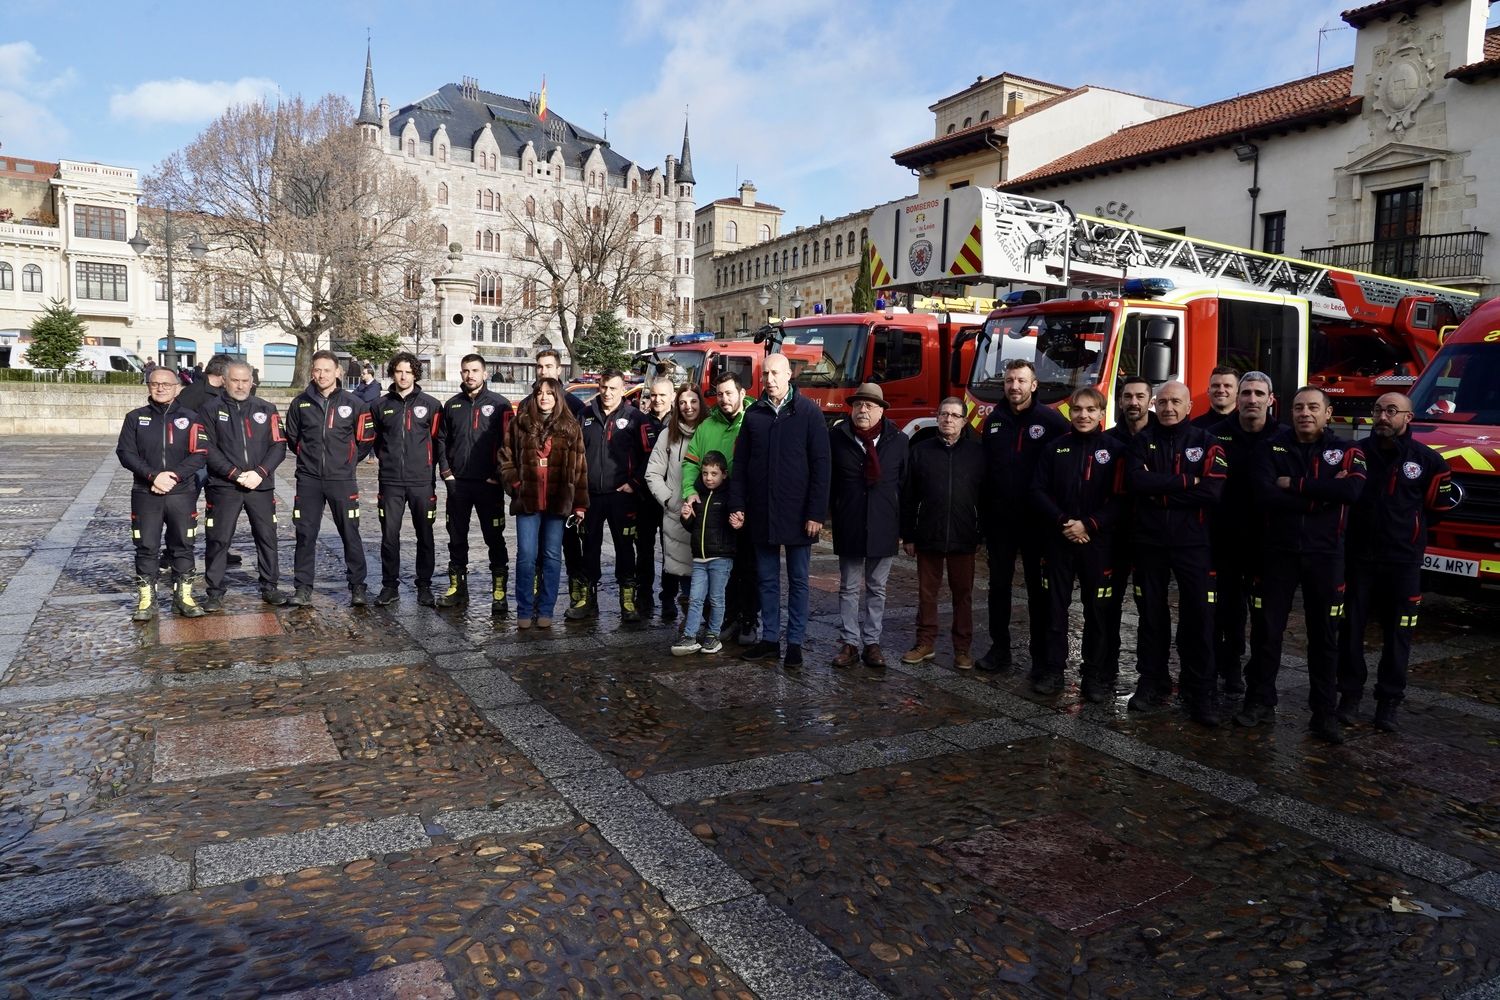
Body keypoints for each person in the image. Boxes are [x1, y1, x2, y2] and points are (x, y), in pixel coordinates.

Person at [1239, 386, 1367, 743]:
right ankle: (1259, 701)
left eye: (1313, 407)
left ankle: (1323, 713)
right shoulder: (1270, 448)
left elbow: (1351, 492)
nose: (1305, 413)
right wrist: (1322, 495)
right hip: (1277, 554)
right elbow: (1265, 496)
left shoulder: (1347, 451)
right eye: (1298, 408)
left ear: (1328, 414)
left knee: (1324, 636)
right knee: (1266, 632)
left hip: (1326, 556)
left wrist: (1294, 485)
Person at [1337, 392, 1454, 732]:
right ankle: (1349, 695)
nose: (1383, 417)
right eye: (1378, 410)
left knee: (1399, 633)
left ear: (1408, 417)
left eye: (1392, 410)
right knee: (1350, 629)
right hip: (1358, 558)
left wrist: (1408, 531)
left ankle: (1388, 701)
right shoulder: (1355, 453)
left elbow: (1437, 510)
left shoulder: (1428, 461)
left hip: (1403, 561)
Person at [1126, 380, 1227, 726]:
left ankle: (1201, 692)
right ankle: (1151, 682)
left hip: (1193, 544)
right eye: (1164, 402)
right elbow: (1135, 483)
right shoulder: (1142, 441)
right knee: (1151, 616)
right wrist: (1187, 481)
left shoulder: (1208, 442)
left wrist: (1159, 489)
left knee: (1199, 618)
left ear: (1189, 406)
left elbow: (1212, 492)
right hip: (1149, 542)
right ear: (1155, 405)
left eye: (1176, 402)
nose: (1168, 408)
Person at [729, 353, 830, 668]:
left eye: (775, 373)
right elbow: (740, 465)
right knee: (767, 579)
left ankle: (795, 642)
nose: (769, 379)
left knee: (798, 580)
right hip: (762, 510)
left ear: (789, 375)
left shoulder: (809, 412)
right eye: (765, 374)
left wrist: (816, 513)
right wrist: (738, 504)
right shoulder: (754, 414)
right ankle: (770, 639)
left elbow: (822, 466)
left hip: (799, 514)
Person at [977, 358, 1069, 675]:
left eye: (1020, 380)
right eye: (1009, 380)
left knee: (1038, 591)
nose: (1014, 386)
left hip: (1038, 524)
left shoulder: (1052, 422)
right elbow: (985, 473)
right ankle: (999, 649)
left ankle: (1040, 655)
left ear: (1034, 385)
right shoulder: (994, 421)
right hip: (1001, 523)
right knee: (998, 587)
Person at [1031, 387, 1124, 700]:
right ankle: (1053, 671)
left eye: (1090, 409)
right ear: (1069, 413)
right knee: (1054, 609)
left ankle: (1093, 675)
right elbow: (1038, 491)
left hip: (1098, 544)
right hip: (1059, 541)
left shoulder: (1115, 450)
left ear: (1101, 413)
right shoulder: (1054, 448)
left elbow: (1122, 498)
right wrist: (1064, 522)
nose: (1083, 415)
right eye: (1078, 409)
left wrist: (1090, 524)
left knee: (1097, 612)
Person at [1207, 372, 1281, 699]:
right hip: (1224, 539)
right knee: (1226, 610)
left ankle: (1261, 682)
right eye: (1246, 393)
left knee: (1266, 616)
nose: (1252, 399)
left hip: (1269, 542)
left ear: (1271, 399)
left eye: (1259, 394)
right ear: (1238, 399)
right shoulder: (1213, 435)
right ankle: (1230, 665)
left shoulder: (1284, 437)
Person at [284, 349, 376, 607]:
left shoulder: (354, 403)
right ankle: (303, 588)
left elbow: (366, 439)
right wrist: (309, 458)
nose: (322, 374)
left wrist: (347, 461)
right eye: (317, 369)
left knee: (350, 533)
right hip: (309, 479)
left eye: (327, 370)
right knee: (305, 534)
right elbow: (293, 438)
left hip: (342, 480)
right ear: (312, 372)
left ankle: (357, 586)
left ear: (338, 372)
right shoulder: (300, 403)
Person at [117, 368, 208, 620]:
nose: (160, 388)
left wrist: (173, 476)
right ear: (148, 386)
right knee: (146, 546)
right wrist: (153, 476)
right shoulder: (135, 418)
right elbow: (125, 453)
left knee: (183, 545)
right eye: (155, 383)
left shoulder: (192, 418)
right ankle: (147, 600)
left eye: (166, 384)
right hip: (145, 492)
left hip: (181, 492)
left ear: (177, 387)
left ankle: (184, 597)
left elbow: (200, 454)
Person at [829, 382, 909, 669]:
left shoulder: (898, 440)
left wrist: (904, 528)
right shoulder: (837, 437)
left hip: (884, 523)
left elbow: (905, 485)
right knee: (849, 587)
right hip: (850, 520)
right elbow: (829, 481)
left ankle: (872, 643)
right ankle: (850, 642)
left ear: (881, 410)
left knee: (877, 587)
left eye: (869, 405)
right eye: (858, 404)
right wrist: (832, 513)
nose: (863, 409)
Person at [901, 397, 985, 667]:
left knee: (963, 595)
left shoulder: (977, 453)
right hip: (929, 533)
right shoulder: (920, 451)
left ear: (964, 421)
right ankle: (925, 643)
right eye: (944, 414)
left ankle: (962, 649)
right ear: (937, 417)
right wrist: (908, 534)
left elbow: (985, 497)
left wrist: (980, 533)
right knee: (927, 593)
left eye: (954, 415)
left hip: (964, 535)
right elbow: (908, 496)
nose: (948, 419)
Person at [501, 376, 588, 628]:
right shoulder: (519, 424)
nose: (544, 397)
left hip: (557, 502)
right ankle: (524, 609)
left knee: (551, 555)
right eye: (540, 392)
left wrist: (579, 504)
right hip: (527, 501)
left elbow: (580, 469)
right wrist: (516, 484)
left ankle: (546, 609)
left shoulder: (570, 427)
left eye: (549, 393)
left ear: (558, 396)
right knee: (526, 555)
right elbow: (505, 458)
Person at [201, 360, 288, 610]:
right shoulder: (209, 409)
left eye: (245, 380)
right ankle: (215, 591)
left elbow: (279, 445)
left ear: (252, 382)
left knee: (267, 537)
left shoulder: (267, 408)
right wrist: (235, 474)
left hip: (260, 485)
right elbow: (207, 447)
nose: (240, 385)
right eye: (235, 380)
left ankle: (270, 586)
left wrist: (260, 473)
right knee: (218, 539)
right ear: (224, 381)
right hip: (224, 486)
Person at [436, 353, 513, 613]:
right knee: (456, 537)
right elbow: (442, 440)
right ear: (461, 373)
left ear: (485, 373)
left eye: (475, 370)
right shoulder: (452, 405)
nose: (470, 375)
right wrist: (446, 472)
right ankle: (457, 588)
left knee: (494, 538)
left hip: (489, 485)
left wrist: (499, 474)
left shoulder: (500, 405)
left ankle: (499, 592)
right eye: (466, 371)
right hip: (458, 484)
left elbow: (509, 443)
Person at [682, 370, 755, 641]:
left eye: (729, 393)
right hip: (714, 510)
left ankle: (749, 620)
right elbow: (691, 463)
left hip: (747, 506)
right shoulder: (707, 426)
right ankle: (728, 617)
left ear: (742, 393)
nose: (724, 399)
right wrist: (690, 491)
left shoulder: (753, 419)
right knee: (723, 570)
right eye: (720, 394)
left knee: (749, 567)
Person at [576, 368, 650, 621]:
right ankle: (588, 598)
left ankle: (627, 600)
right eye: (604, 387)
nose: (607, 393)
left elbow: (650, 455)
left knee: (625, 547)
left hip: (622, 496)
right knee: (589, 547)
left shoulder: (636, 417)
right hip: (591, 496)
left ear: (623, 389)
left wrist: (634, 483)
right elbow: (575, 454)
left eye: (613, 388)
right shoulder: (584, 415)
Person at [370, 352, 443, 607]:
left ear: (415, 374)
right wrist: (387, 459)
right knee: (390, 536)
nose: (403, 376)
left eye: (408, 372)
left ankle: (424, 586)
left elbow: (438, 441)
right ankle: (390, 586)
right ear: (393, 372)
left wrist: (430, 467)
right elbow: (376, 440)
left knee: (425, 534)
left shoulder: (432, 405)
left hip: (421, 481)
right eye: (399, 371)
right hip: (390, 482)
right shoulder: (379, 405)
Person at [1101, 375, 1154, 678]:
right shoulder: (1108, 440)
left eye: (1139, 396)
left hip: (1152, 535)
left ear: (1150, 401)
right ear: (1119, 401)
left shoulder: (1163, 436)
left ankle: (1151, 674)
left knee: (1150, 607)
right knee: (1108, 605)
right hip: (1114, 535)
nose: (1133, 402)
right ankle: (1105, 667)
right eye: (1127, 397)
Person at [532, 349, 589, 613]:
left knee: (570, 543)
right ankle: (537, 588)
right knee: (536, 546)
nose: (543, 371)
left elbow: (582, 452)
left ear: (559, 370)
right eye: (540, 367)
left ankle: (576, 586)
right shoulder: (528, 404)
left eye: (548, 366)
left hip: (564, 491)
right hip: (536, 492)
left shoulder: (576, 406)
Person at [646, 385, 704, 623]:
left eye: (693, 401)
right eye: (683, 402)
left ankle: (705, 620)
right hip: (678, 513)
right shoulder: (667, 434)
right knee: (684, 570)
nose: (688, 407)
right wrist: (669, 500)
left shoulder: (710, 430)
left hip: (708, 514)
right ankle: (690, 623)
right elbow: (653, 472)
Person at [672, 450, 735, 656]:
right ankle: (689, 636)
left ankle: (713, 635)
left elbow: (735, 527)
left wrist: (737, 523)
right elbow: (694, 528)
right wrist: (687, 517)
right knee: (696, 598)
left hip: (721, 557)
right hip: (699, 558)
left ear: (724, 474)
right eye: (705, 473)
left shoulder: (728, 497)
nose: (709, 478)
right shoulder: (698, 496)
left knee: (716, 598)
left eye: (714, 473)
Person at [634, 377, 675, 618]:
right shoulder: (640, 422)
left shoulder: (679, 422)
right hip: (645, 498)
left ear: (672, 396)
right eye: (653, 395)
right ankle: (644, 595)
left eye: (662, 395)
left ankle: (668, 597)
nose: (657, 400)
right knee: (644, 549)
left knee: (670, 549)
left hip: (671, 498)